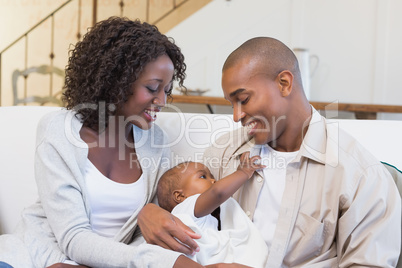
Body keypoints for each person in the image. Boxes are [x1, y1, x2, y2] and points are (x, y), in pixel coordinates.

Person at [138, 37, 401, 267]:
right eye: (232, 104)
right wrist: (150, 213)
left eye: (244, 99)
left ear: (284, 83)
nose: (236, 115)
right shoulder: (224, 152)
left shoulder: (360, 174)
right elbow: (185, 210)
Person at [0, 16, 206, 268]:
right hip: (35, 257)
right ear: (116, 81)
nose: (162, 101)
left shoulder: (156, 141)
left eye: (167, 90)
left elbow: (148, 231)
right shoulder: (59, 130)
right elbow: (73, 238)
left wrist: (149, 215)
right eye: (152, 88)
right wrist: (163, 262)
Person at [157, 155, 268, 267]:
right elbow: (217, 193)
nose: (214, 180)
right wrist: (243, 172)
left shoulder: (209, 219)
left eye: (212, 176)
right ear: (180, 196)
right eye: (203, 177)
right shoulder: (183, 210)